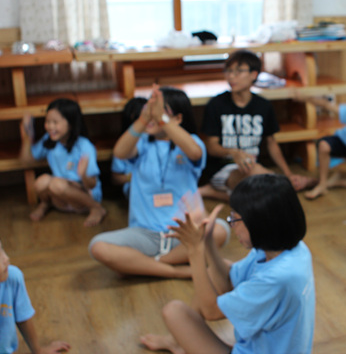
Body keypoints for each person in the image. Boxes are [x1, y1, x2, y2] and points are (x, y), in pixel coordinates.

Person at [140, 174, 315, 354]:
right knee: (217, 269)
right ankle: (178, 342)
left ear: (260, 224)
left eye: (236, 219)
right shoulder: (292, 249)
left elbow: (211, 311)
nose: (232, 224)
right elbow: (229, 281)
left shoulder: (277, 278)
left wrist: (195, 250)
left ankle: (179, 343)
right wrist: (207, 242)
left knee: (174, 312)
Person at [89, 86, 228, 279]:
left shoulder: (191, 142)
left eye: (161, 111)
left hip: (185, 232)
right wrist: (143, 119)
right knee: (98, 246)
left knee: (220, 229)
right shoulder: (141, 143)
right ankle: (177, 270)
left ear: (178, 119)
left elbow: (195, 153)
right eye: (150, 110)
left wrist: (162, 119)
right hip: (144, 234)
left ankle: (150, 264)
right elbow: (120, 153)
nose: (153, 115)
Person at [199, 49, 315, 202]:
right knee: (271, 188)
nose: (231, 76)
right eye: (229, 71)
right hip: (222, 170)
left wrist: (288, 173)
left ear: (254, 75)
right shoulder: (216, 104)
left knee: (258, 192)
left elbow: (271, 143)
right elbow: (211, 147)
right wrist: (233, 153)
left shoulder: (263, 106)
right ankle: (299, 183)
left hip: (251, 167)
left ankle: (210, 192)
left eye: (238, 71)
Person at [19, 98, 106, 227]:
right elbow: (26, 161)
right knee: (41, 182)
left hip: (84, 196)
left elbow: (92, 184)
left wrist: (83, 175)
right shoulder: (49, 140)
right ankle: (45, 203)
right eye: (48, 121)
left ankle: (96, 208)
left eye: (55, 122)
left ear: (71, 124)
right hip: (60, 198)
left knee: (56, 184)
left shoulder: (84, 146)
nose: (50, 127)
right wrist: (26, 136)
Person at [0, 239, 71, 354]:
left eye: (2, 249)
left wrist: (38, 350)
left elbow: (23, 317)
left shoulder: (12, 277)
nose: (6, 258)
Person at [111, 97, 147, 199]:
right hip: (133, 186)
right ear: (132, 117)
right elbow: (115, 178)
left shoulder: (155, 140)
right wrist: (134, 177)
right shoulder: (125, 143)